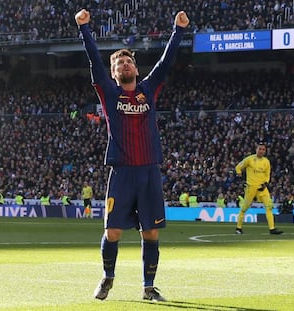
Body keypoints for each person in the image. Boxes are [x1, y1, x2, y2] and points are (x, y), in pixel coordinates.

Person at [75, 8, 189, 302]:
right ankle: (107, 278)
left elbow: (166, 62)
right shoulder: (110, 94)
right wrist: (85, 28)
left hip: (149, 171)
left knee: (150, 234)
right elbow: (93, 61)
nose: (124, 65)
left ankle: (149, 287)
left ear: (136, 69)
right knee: (113, 231)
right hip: (123, 172)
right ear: (114, 74)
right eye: (118, 63)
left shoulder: (149, 89)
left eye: (128, 61)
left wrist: (178, 30)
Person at [235, 142, 283, 235]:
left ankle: (272, 229)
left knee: (269, 206)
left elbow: (267, 175)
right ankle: (238, 228)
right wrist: (239, 174)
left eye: (263, 149)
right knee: (245, 208)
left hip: (262, 188)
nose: (261, 151)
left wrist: (265, 183)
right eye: (260, 149)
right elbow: (238, 167)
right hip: (251, 187)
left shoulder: (266, 161)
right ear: (256, 149)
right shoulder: (249, 159)